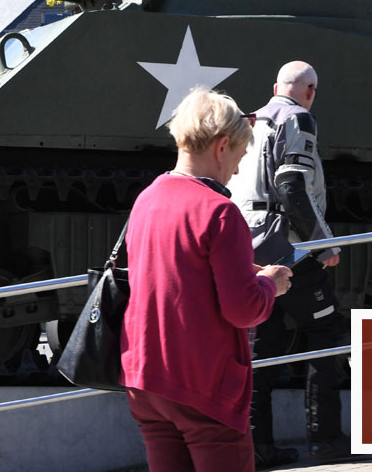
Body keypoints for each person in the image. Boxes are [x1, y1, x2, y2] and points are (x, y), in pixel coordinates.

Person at [121, 87, 293, 472]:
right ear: (221, 146)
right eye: (240, 156)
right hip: (203, 383)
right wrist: (270, 283)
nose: (237, 168)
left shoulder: (147, 199)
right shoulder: (220, 211)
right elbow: (242, 309)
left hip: (146, 379)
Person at [228, 61, 349, 467]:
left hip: (246, 243)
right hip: (288, 245)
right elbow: (292, 186)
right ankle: (325, 442)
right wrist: (323, 245)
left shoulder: (251, 119)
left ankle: (258, 447)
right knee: (325, 330)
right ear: (311, 91)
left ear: (274, 86)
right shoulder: (298, 118)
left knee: (263, 345)